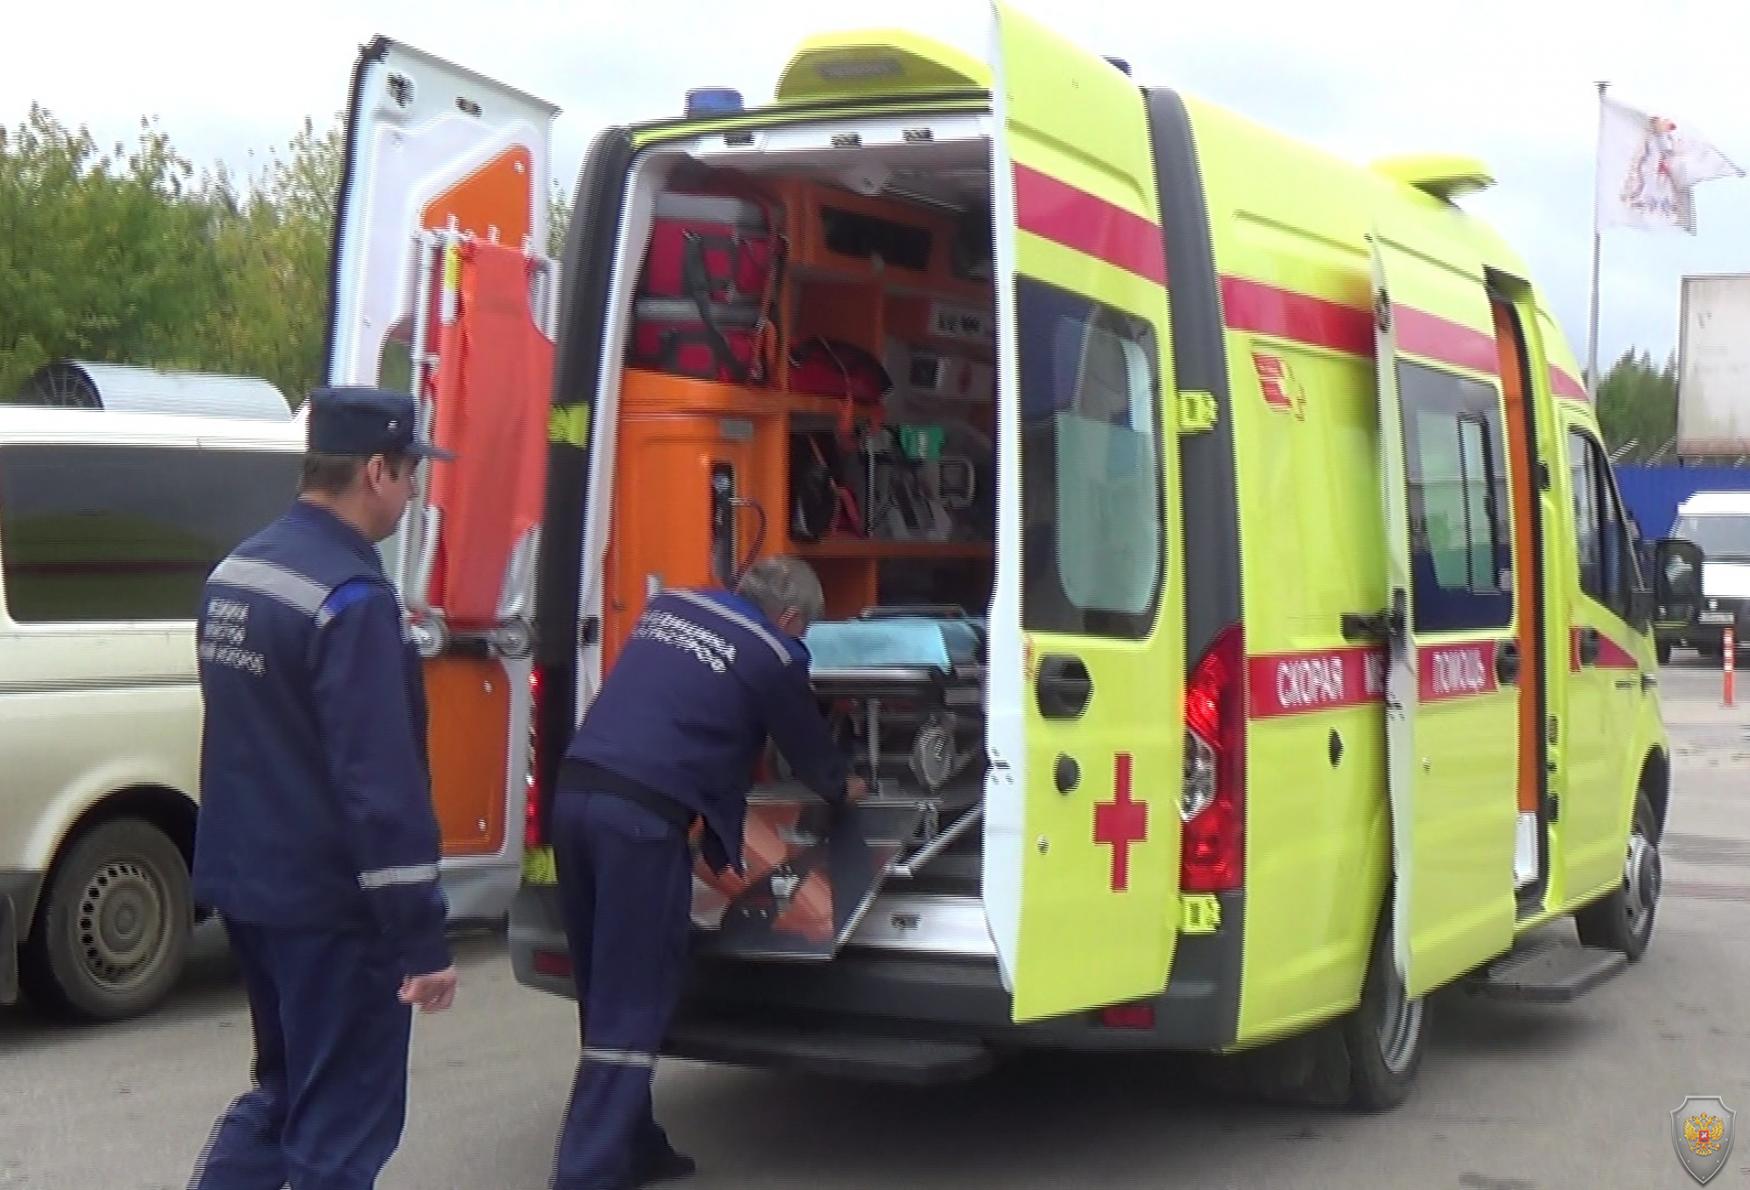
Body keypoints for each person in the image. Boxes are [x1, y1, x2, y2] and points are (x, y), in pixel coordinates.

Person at [187, 387, 460, 1190]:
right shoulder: (354, 602)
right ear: (375, 470)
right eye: (410, 475)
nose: (413, 495)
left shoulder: (237, 571)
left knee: (285, 1094)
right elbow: (381, 786)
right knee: (342, 1124)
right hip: (332, 912)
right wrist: (420, 938)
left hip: (248, 888)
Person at [548, 555, 865, 1190]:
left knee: (603, 986)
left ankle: (636, 1143)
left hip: (575, 799)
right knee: (635, 995)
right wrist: (846, 786)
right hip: (640, 820)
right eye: (802, 632)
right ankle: (585, 1173)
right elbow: (806, 750)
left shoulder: (671, 608)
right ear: (791, 618)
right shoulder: (774, 653)